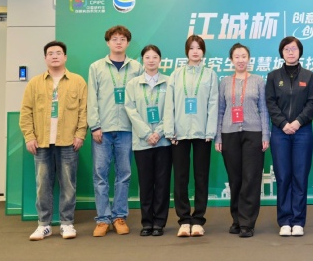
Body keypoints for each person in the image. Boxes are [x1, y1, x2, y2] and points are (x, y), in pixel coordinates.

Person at [20, 41, 88, 241]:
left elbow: (83, 111)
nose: (55, 56)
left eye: (59, 53)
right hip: (41, 142)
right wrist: (29, 136)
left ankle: (67, 223)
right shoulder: (35, 83)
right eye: (50, 53)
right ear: (45, 58)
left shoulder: (78, 81)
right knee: (43, 185)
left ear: (65, 57)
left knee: (68, 184)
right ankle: (44, 225)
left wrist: (80, 134)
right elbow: (26, 112)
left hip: (68, 141)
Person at [87, 25, 143, 237]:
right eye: (114, 39)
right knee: (100, 174)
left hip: (127, 129)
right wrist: (95, 125)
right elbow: (92, 98)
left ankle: (119, 217)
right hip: (102, 129)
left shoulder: (136, 67)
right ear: (108, 42)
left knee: (124, 174)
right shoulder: (96, 67)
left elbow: (140, 99)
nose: (118, 42)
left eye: (122, 39)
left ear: (128, 43)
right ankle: (102, 219)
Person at [163, 35, 219, 237]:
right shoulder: (176, 74)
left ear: (203, 51)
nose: (195, 51)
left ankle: (198, 220)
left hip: (203, 133)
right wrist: (169, 130)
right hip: (179, 133)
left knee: (201, 176)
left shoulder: (210, 74)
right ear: (186, 51)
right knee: (180, 177)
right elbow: (169, 104)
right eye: (192, 48)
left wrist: (210, 131)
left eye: (199, 48)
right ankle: (184, 220)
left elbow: (213, 103)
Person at [215, 43, 270, 238]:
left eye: (244, 56)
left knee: (251, 178)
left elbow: (264, 109)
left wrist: (265, 135)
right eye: (237, 57)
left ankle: (247, 222)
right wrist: (218, 136)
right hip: (229, 133)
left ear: (249, 59)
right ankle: (237, 219)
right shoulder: (224, 82)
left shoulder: (258, 81)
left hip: (253, 133)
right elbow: (220, 110)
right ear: (231, 60)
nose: (240, 60)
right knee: (235, 178)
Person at [266, 36, 313, 237]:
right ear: (281, 52)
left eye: (294, 48)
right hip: (280, 132)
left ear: (300, 51)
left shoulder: (309, 76)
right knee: (283, 176)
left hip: (302, 131)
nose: (290, 52)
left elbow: (312, 103)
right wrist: (283, 124)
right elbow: (270, 103)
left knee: (300, 176)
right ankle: (285, 220)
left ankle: (298, 221)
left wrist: (297, 122)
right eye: (286, 49)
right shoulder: (273, 76)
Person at [125, 45, 172, 236]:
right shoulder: (133, 84)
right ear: (142, 60)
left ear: (160, 60)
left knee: (162, 183)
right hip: (142, 142)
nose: (151, 60)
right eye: (147, 57)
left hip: (163, 142)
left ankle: (159, 222)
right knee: (145, 184)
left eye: (154, 57)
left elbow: (171, 110)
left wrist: (158, 133)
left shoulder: (169, 82)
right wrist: (146, 134)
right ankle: (146, 223)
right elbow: (131, 111)